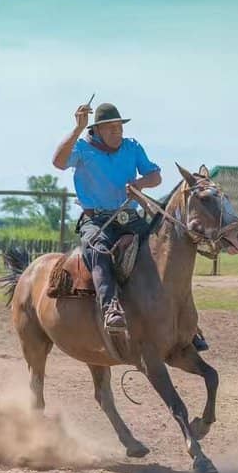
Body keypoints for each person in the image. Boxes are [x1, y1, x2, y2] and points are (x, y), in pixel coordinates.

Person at [52, 102, 162, 332]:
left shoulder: (132, 147)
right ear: (97, 130)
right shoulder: (82, 148)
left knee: (161, 246)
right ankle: (111, 308)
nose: (118, 132)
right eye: (111, 128)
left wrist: (140, 183)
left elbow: (155, 175)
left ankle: (176, 314)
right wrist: (76, 129)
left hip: (130, 218)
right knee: (99, 250)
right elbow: (59, 162)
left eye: (120, 127)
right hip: (96, 220)